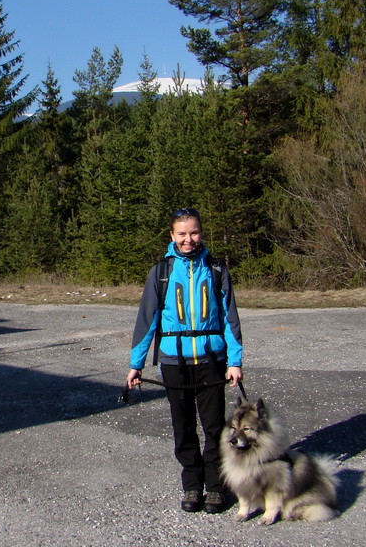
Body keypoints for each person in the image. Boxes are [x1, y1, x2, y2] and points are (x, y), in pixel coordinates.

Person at [126, 207, 244, 514]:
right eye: (182, 234)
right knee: (183, 427)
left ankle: (216, 487)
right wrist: (136, 364)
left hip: (211, 361)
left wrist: (235, 361)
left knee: (215, 427)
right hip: (173, 362)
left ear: (201, 233)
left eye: (193, 233)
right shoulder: (161, 272)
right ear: (172, 236)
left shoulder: (217, 270)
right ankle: (192, 486)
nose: (188, 239)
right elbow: (147, 320)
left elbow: (230, 319)